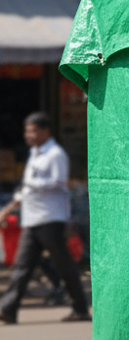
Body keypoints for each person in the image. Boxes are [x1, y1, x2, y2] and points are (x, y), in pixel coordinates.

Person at [0, 113, 91, 324]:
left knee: (65, 266)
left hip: (50, 219)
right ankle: (9, 308)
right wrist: (10, 207)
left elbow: (58, 182)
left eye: (33, 130)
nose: (28, 135)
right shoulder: (35, 153)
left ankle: (80, 308)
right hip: (32, 219)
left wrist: (33, 186)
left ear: (45, 130)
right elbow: (25, 188)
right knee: (22, 266)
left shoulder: (55, 154)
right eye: (27, 131)